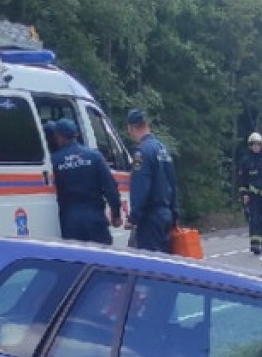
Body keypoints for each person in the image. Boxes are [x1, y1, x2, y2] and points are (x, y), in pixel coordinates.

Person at [49, 118, 122, 246]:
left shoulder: (54, 161)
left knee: (77, 261)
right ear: (75, 135)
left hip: (70, 220)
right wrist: (116, 214)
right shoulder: (94, 157)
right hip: (95, 218)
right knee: (101, 259)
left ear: (59, 137)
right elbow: (111, 189)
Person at [126, 108, 178, 252]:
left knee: (151, 266)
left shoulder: (142, 153)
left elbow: (141, 187)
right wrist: (174, 213)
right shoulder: (162, 149)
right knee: (165, 263)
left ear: (131, 127)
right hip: (165, 215)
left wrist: (133, 218)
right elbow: (173, 183)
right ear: (146, 124)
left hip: (151, 218)